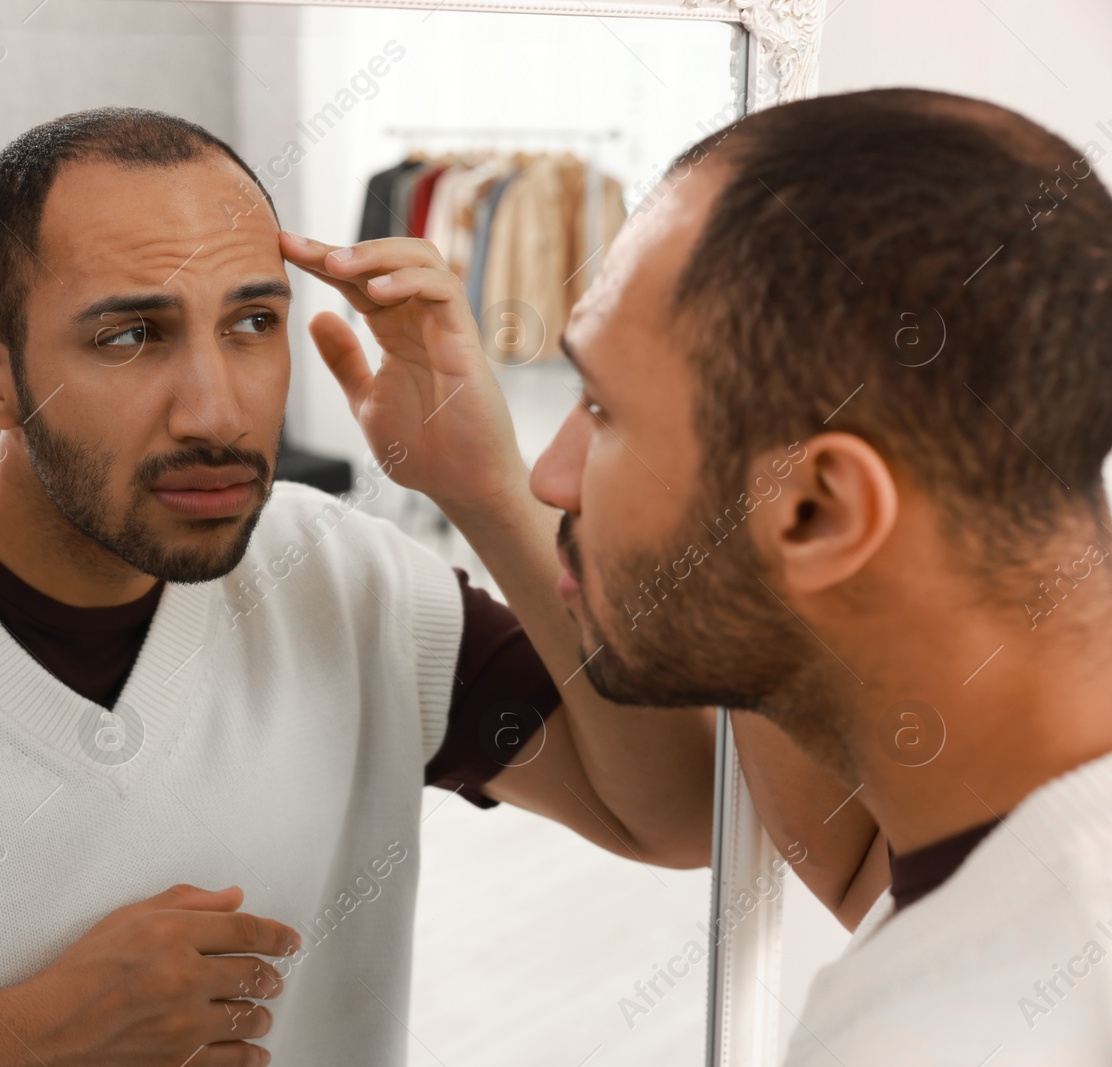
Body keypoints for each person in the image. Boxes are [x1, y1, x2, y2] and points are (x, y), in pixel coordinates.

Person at [0, 106, 739, 1067]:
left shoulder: (349, 579)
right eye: (128, 337)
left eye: (251, 323)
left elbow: (678, 811)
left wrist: (485, 490)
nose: (218, 408)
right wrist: (13, 1042)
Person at [286, 88, 1112, 1065]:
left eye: (600, 405)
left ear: (818, 510)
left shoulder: (949, 1032)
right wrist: (491, 488)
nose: (554, 475)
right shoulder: (1012, 851)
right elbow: (858, 864)